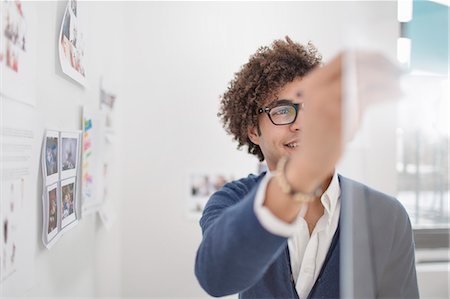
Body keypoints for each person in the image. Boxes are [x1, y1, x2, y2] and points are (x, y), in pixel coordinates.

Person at [194, 37, 419, 299]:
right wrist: (303, 172)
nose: (300, 124)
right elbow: (217, 278)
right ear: (254, 130)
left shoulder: (386, 215)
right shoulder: (232, 200)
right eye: (281, 110)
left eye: (309, 108)